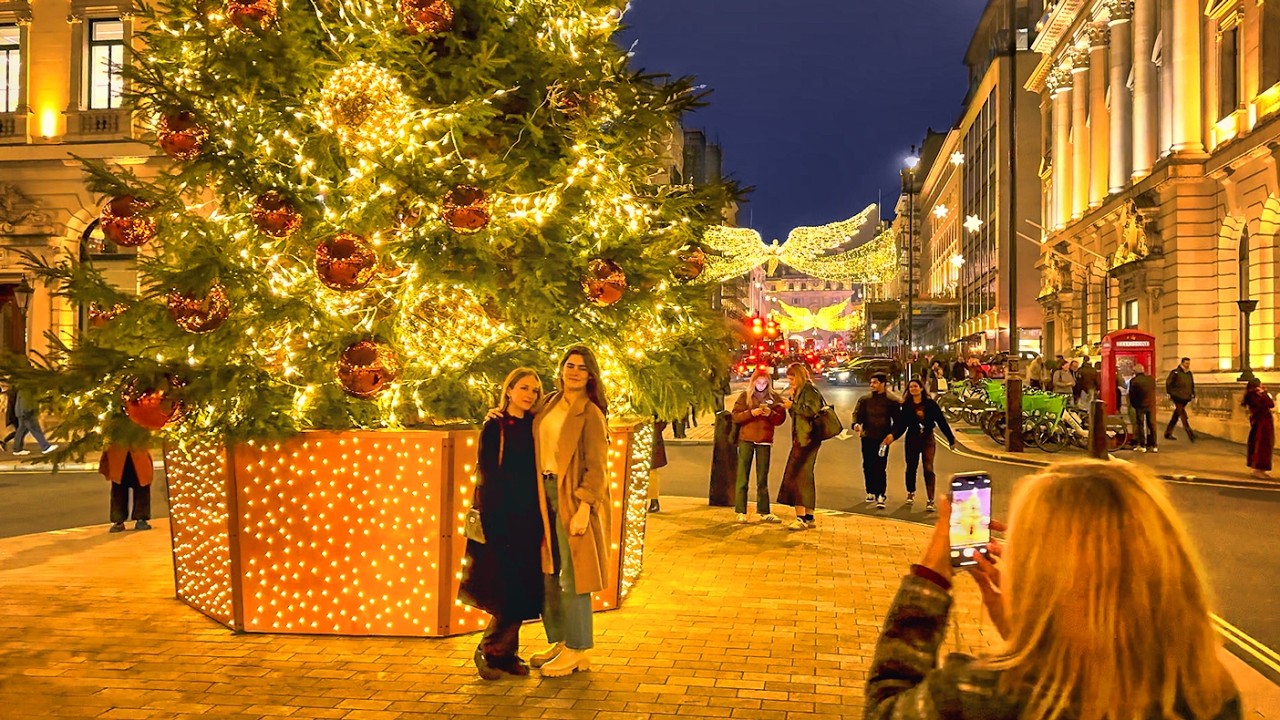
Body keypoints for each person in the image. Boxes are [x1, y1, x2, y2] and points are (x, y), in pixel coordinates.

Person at [865, 459, 1242, 720]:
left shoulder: (977, 696)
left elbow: (886, 706)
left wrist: (932, 571)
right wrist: (1030, 635)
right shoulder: (1207, 696)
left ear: (1042, 579)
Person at [459, 368, 546, 680]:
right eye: (523, 388)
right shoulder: (496, 426)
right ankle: (491, 648)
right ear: (508, 389)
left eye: (535, 390)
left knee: (521, 588)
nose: (529, 394)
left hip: (530, 518)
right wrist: (494, 522)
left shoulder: (534, 425)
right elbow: (489, 476)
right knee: (506, 587)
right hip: (503, 518)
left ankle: (505, 652)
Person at [529, 346, 611, 677]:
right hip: (543, 492)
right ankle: (562, 641)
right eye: (569, 365)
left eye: (581, 368)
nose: (574, 372)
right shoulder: (548, 403)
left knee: (576, 576)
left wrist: (583, 507)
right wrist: (497, 412)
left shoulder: (590, 413)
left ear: (590, 375)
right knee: (550, 570)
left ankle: (578, 648)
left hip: (572, 496)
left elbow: (598, 467)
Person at [883, 379, 956, 513]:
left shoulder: (931, 404)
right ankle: (911, 492)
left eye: (916, 386)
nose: (913, 389)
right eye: (911, 387)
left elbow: (941, 421)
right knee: (911, 467)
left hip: (927, 438)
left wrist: (951, 438)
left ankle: (930, 499)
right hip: (912, 438)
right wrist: (893, 436)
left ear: (922, 388)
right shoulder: (907, 406)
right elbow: (901, 425)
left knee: (928, 468)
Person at [730, 368, 786, 523]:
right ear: (753, 382)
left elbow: (781, 418)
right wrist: (751, 413)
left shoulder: (774, 397)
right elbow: (735, 416)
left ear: (768, 382)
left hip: (764, 440)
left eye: (764, 383)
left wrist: (770, 414)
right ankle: (741, 510)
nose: (761, 385)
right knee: (743, 476)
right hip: (746, 439)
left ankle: (764, 510)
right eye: (758, 382)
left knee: (762, 477)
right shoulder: (745, 396)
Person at [777, 362, 824, 530]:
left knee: (797, 476)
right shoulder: (801, 391)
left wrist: (793, 405)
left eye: (792, 378)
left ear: (799, 376)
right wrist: (792, 402)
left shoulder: (810, 391)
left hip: (807, 439)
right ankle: (809, 516)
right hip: (803, 438)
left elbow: (811, 411)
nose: (790, 382)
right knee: (805, 477)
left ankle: (801, 517)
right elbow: (797, 414)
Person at [853, 373, 899, 510]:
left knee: (880, 466)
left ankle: (881, 494)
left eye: (875, 382)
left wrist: (892, 435)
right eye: (871, 382)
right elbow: (857, 415)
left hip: (882, 439)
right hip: (867, 437)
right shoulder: (865, 400)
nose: (872, 385)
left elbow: (898, 421)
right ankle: (870, 490)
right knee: (867, 464)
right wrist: (856, 424)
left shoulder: (891, 401)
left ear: (883, 384)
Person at [99, 445, 153, 533]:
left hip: (139, 453)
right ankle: (118, 520)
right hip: (118, 454)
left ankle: (141, 518)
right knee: (118, 491)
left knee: (142, 489)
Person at [11, 387, 58, 456]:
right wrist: (28, 411)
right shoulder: (27, 387)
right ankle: (45, 447)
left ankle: (17, 449)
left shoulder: (23, 385)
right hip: (26, 411)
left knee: (21, 430)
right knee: (35, 429)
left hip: (21, 411)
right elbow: (26, 400)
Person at [1242, 378, 1274, 480]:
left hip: (1261, 423)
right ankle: (1258, 470)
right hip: (1262, 425)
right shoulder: (1254, 395)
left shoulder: (1252, 395)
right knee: (1262, 446)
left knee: (1261, 445)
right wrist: (1264, 393)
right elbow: (1270, 404)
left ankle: (1259, 469)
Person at [1165, 357, 1197, 442]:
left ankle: (1168, 433)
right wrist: (1170, 393)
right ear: (1182, 363)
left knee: (1176, 415)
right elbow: (1168, 383)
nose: (1188, 365)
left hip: (1186, 397)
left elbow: (1192, 384)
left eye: (1189, 363)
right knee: (1182, 414)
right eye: (1186, 363)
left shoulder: (1189, 373)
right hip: (1177, 396)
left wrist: (1193, 393)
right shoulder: (1175, 372)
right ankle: (1190, 433)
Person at [1127, 364, 1158, 452]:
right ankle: (1154, 445)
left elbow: (1132, 395)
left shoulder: (1134, 381)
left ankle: (1142, 445)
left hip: (1140, 405)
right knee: (1151, 425)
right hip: (1150, 405)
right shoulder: (1151, 379)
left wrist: (1134, 405)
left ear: (1135, 372)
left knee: (1140, 425)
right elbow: (1153, 390)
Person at [648, 419, 667, 513]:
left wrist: (655, 429)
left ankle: (654, 500)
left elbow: (663, 420)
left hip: (652, 437)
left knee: (652, 472)